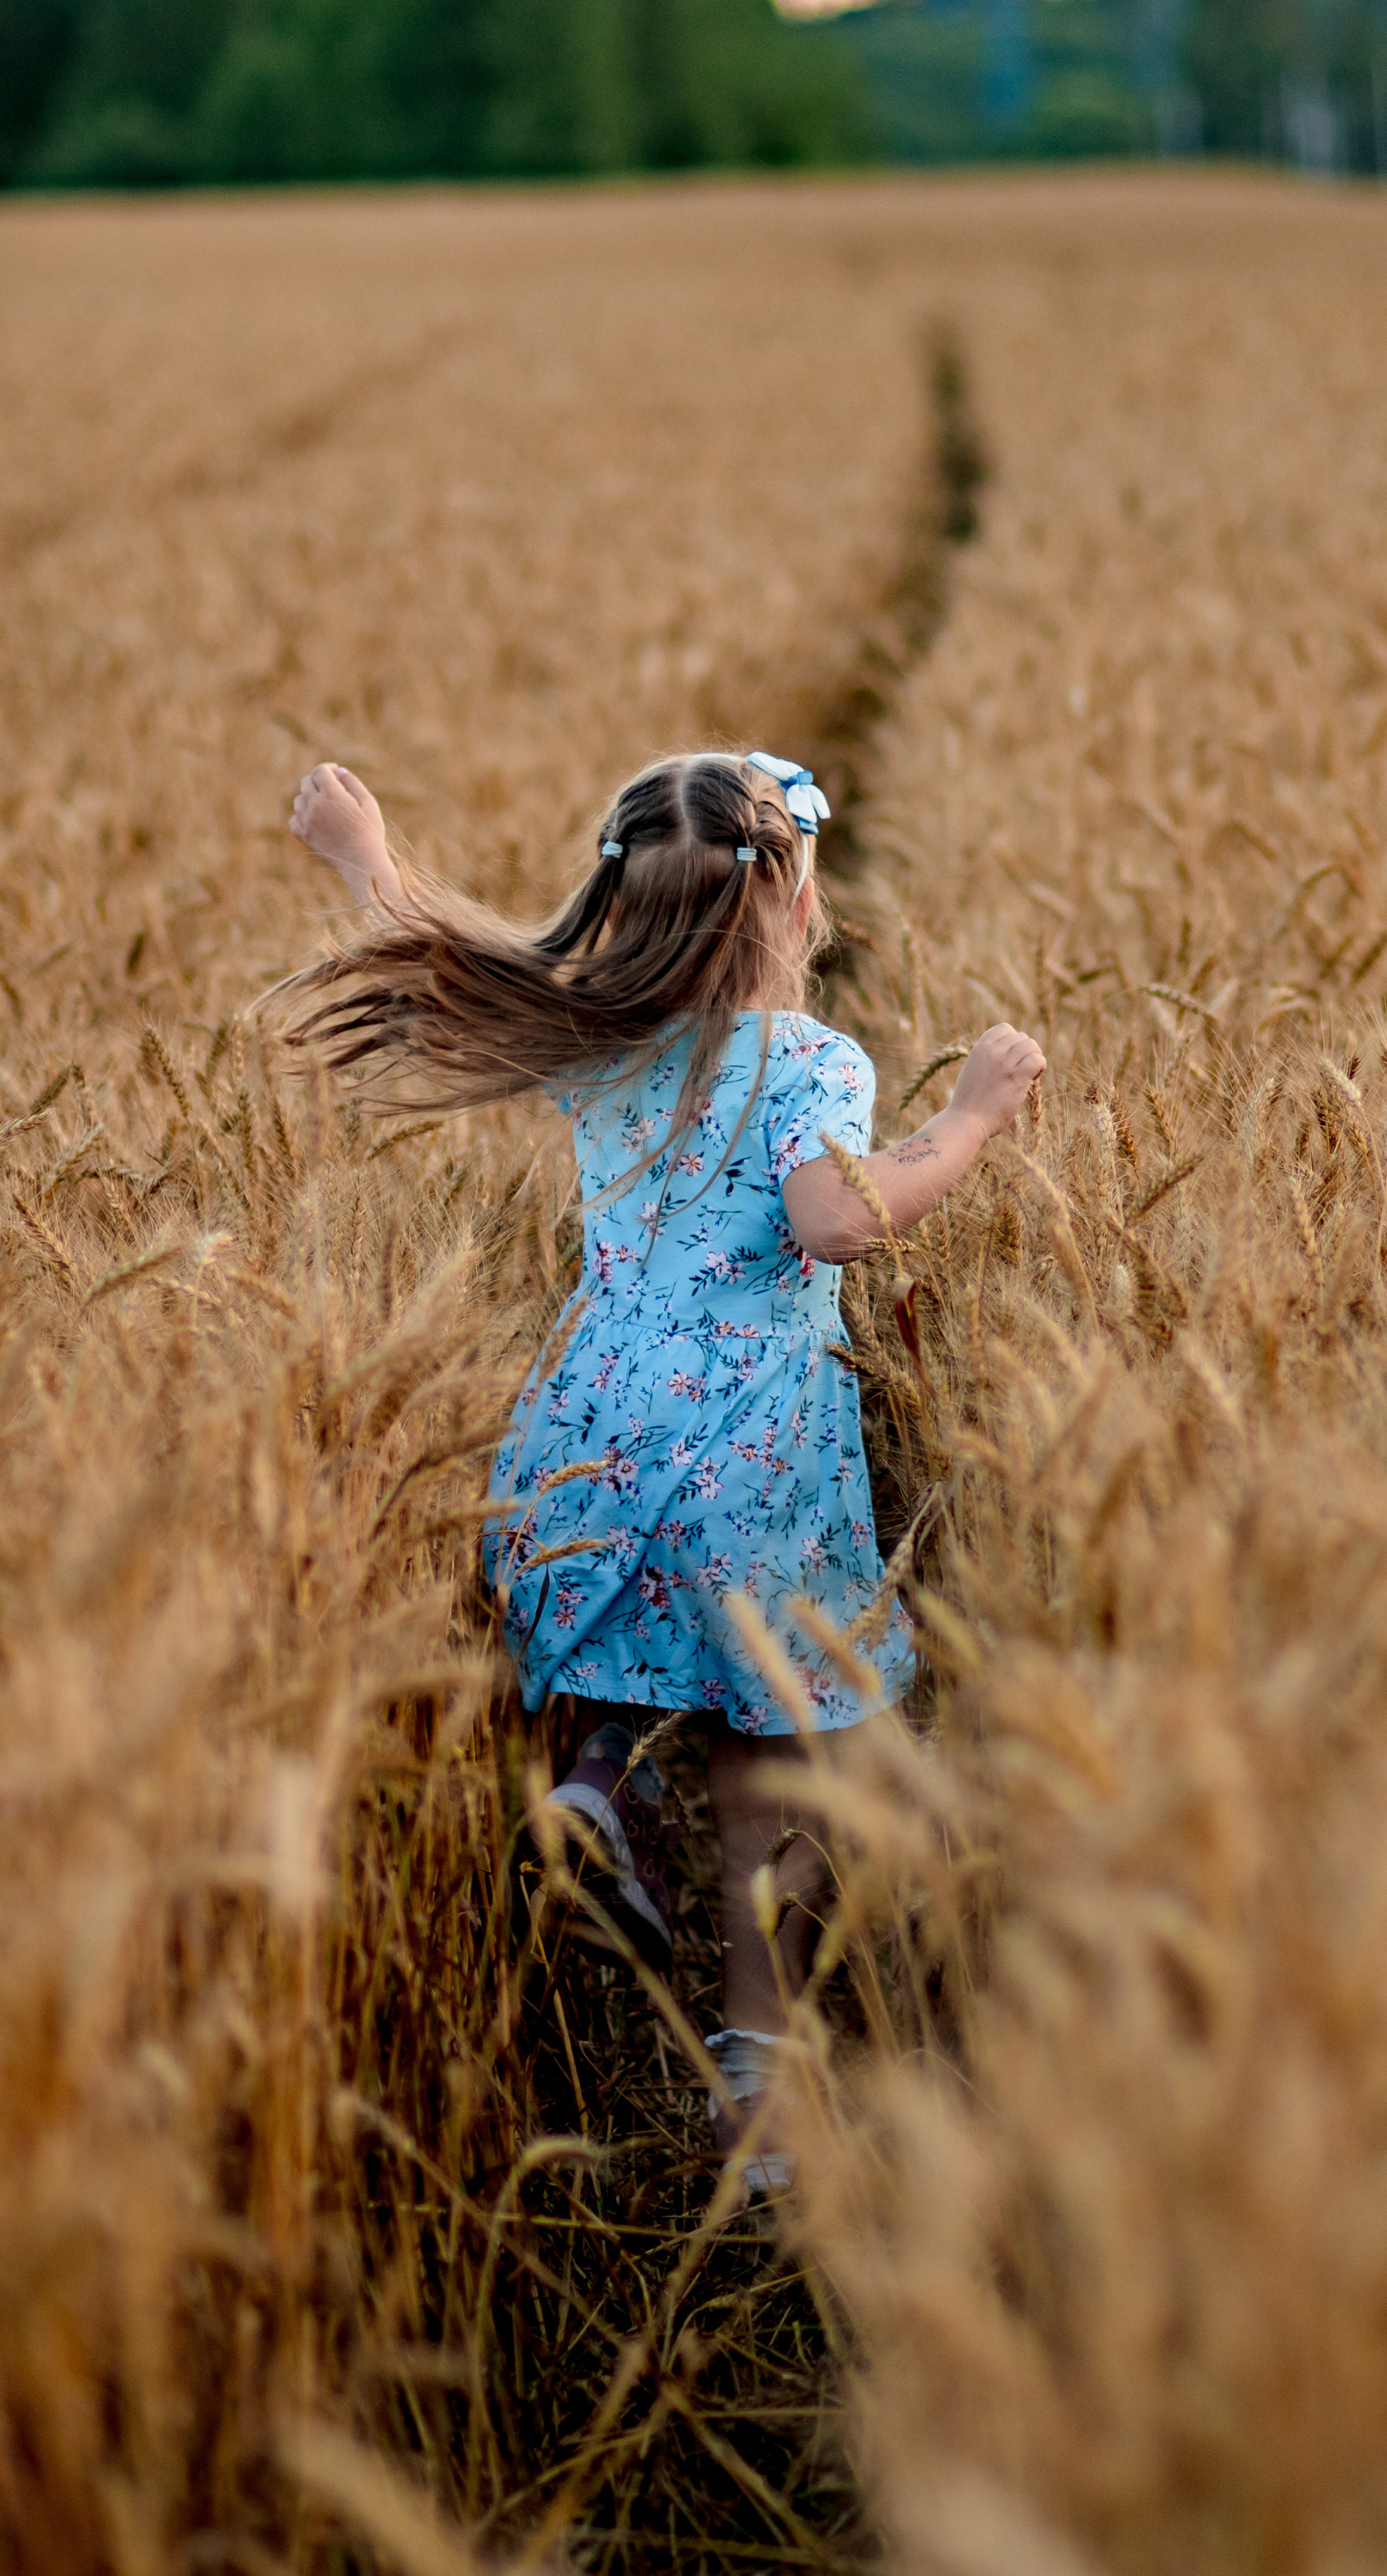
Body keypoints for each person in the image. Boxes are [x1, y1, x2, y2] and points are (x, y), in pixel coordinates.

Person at [284, 749, 1044, 2191]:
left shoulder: (596, 1036)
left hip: (585, 1434)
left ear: (624, 912)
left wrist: (362, 854)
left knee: (621, 1664)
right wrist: (971, 1119)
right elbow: (834, 1221)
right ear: (797, 905)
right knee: (767, 1762)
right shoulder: (813, 1063)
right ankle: (756, 2082)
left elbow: (446, 963)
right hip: (751, 1448)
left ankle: (602, 1797)